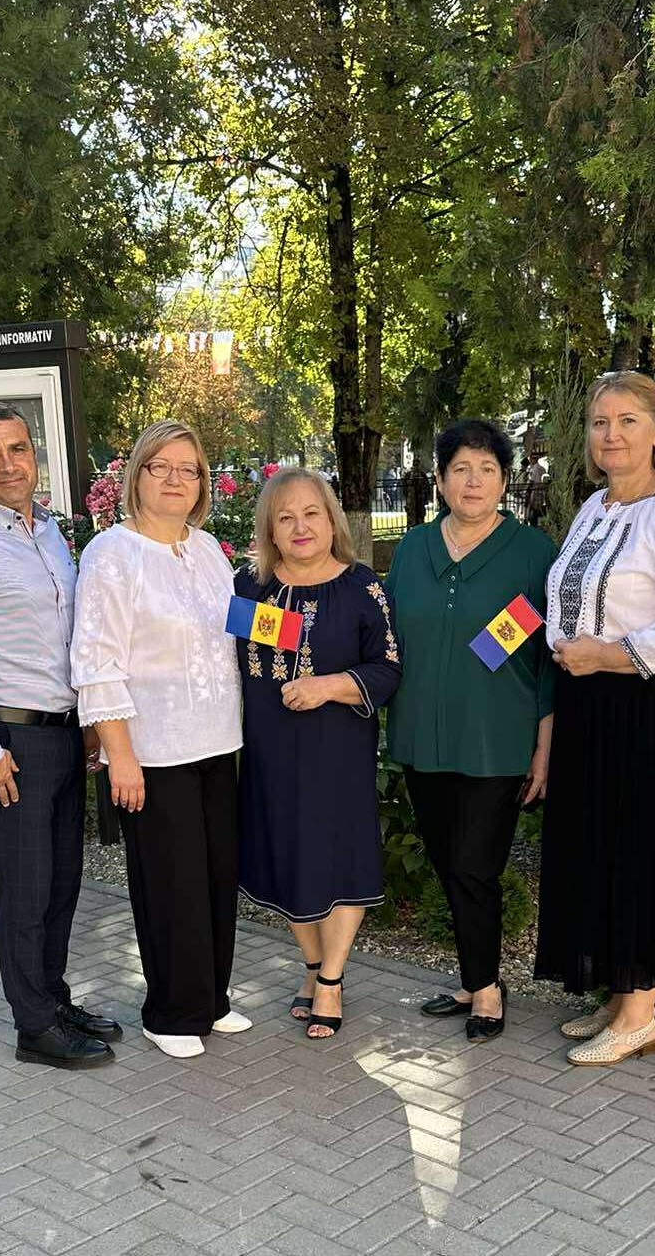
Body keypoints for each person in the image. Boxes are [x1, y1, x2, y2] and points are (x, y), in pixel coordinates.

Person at [0, 400, 121, 1069]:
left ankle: (53, 999)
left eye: (18, 448)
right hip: (11, 740)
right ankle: (33, 1026)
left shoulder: (49, 530)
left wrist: (88, 722)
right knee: (25, 887)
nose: (8, 464)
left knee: (62, 881)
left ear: (34, 453)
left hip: (62, 733)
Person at [535, 372, 655, 1066]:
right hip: (588, 699)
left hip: (645, 702)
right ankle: (619, 993)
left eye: (627, 421)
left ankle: (642, 1009)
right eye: (599, 422)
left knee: (640, 846)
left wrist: (609, 655)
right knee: (599, 845)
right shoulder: (595, 507)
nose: (611, 434)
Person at [70, 420, 248, 1060]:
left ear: (202, 483)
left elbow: (237, 627)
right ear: (137, 475)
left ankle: (211, 998)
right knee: (171, 885)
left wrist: (312, 632)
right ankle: (171, 1012)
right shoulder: (112, 553)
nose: (176, 479)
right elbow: (96, 661)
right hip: (153, 750)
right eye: (161, 466)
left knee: (215, 877)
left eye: (189, 469)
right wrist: (120, 755)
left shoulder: (207, 550)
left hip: (217, 742)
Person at [386, 420, 557, 1043]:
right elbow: (386, 638)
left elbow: (548, 660)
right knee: (447, 863)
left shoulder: (534, 555)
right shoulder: (412, 550)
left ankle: (486, 988)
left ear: (505, 480)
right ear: (440, 479)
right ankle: (472, 977)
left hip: (497, 741)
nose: (473, 481)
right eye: (460, 468)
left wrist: (545, 745)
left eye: (487, 469)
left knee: (474, 865)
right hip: (421, 739)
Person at [235, 468, 401, 1039]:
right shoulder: (250, 587)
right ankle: (311, 965)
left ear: (332, 521)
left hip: (338, 754)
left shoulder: (361, 588)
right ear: (270, 530)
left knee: (341, 858)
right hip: (271, 755)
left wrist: (328, 686)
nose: (300, 527)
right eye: (285, 517)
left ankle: (331, 978)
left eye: (311, 514)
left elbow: (388, 669)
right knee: (287, 859)